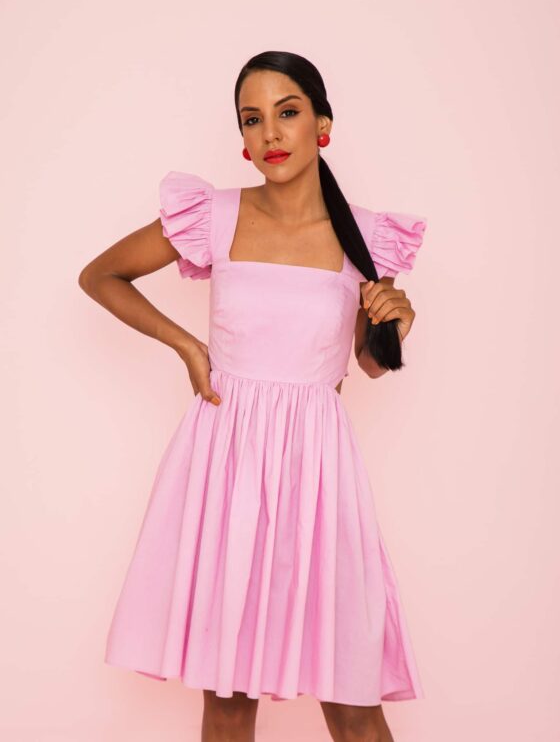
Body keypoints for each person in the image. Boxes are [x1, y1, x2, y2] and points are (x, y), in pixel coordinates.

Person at [79, 50, 427, 742]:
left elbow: (364, 364)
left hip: (319, 477)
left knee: (354, 706)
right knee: (230, 703)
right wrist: (187, 346)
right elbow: (101, 275)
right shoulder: (213, 215)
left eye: (287, 112)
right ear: (242, 136)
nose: (270, 132)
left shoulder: (364, 238)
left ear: (322, 124)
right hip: (227, 470)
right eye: (252, 118)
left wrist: (398, 322)